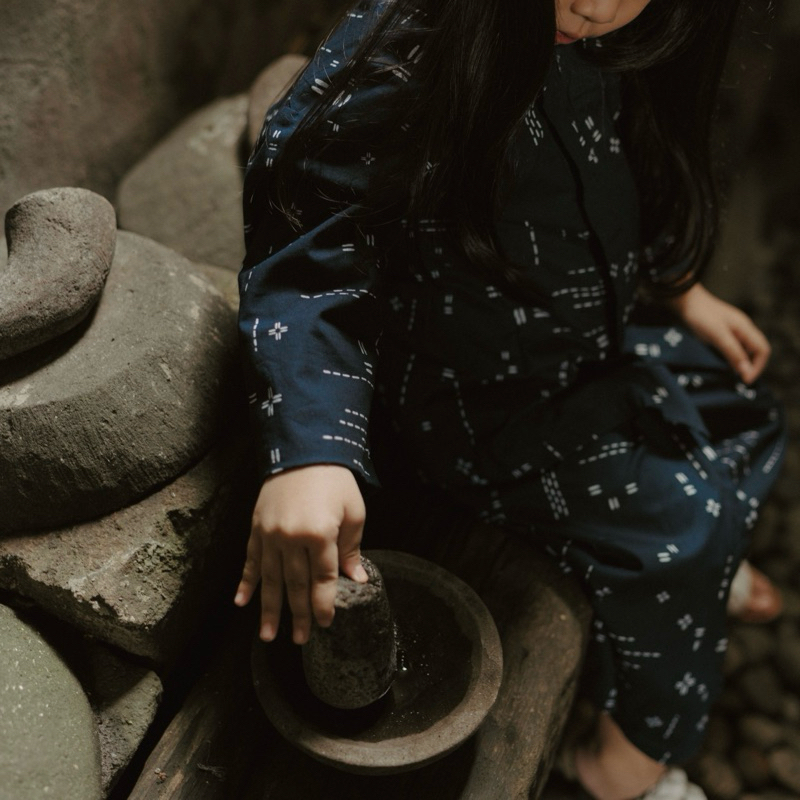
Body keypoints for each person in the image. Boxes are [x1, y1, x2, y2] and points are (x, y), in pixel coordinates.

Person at [233, 1, 787, 797]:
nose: (596, 6)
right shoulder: (409, 53)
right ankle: (617, 770)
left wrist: (677, 286)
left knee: (747, 407)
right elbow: (307, 252)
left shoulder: (618, 34)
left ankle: (686, 568)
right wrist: (311, 450)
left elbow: (630, 156)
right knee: (691, 528)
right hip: (477, 404)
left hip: (589, 338)